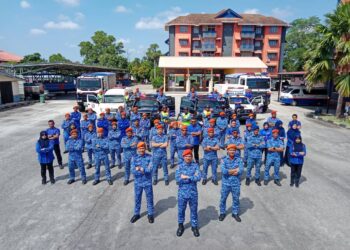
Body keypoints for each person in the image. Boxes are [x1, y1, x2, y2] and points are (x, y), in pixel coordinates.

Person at [175, 149, 201, 237]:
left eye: (190, 156)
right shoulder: (180, 166)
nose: (188, 157)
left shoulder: (195, 166)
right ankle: (181, 226)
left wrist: (186, 177)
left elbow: (198, 177)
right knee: (181, 210)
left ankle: (194, 226)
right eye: (186, 156)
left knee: (194, 210)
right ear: (183, 157)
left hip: (193, 193)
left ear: (192, 157)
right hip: (182, 193)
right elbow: (177, 179)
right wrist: (191, 177)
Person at [130, 142, 155, 224]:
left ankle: (150, 214)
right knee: (137, 198)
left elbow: (150, 169)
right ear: (137, 149)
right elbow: (132, 170)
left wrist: (140, 169)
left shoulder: (150, 157)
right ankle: (136, 214)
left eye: (143, 148)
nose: (141, 149)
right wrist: (144, 170)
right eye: (140, 148)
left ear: (145, 148)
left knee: (149, 199)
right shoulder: (134, 158)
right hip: (138, 182)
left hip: (147, 181)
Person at [219, 144, 244, 222]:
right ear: (227, 151)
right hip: (226, 183)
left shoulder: (239, 159)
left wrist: (230, 171)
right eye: (230, 150)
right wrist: (234, 170)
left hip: (236, 183)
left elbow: (241, 170)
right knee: (223, 199)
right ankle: (222, 212)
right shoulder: (223, 160)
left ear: (235, 151)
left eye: (233, 150)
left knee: (236, 199)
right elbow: (224, 171)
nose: (232, 151)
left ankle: (235, 213)